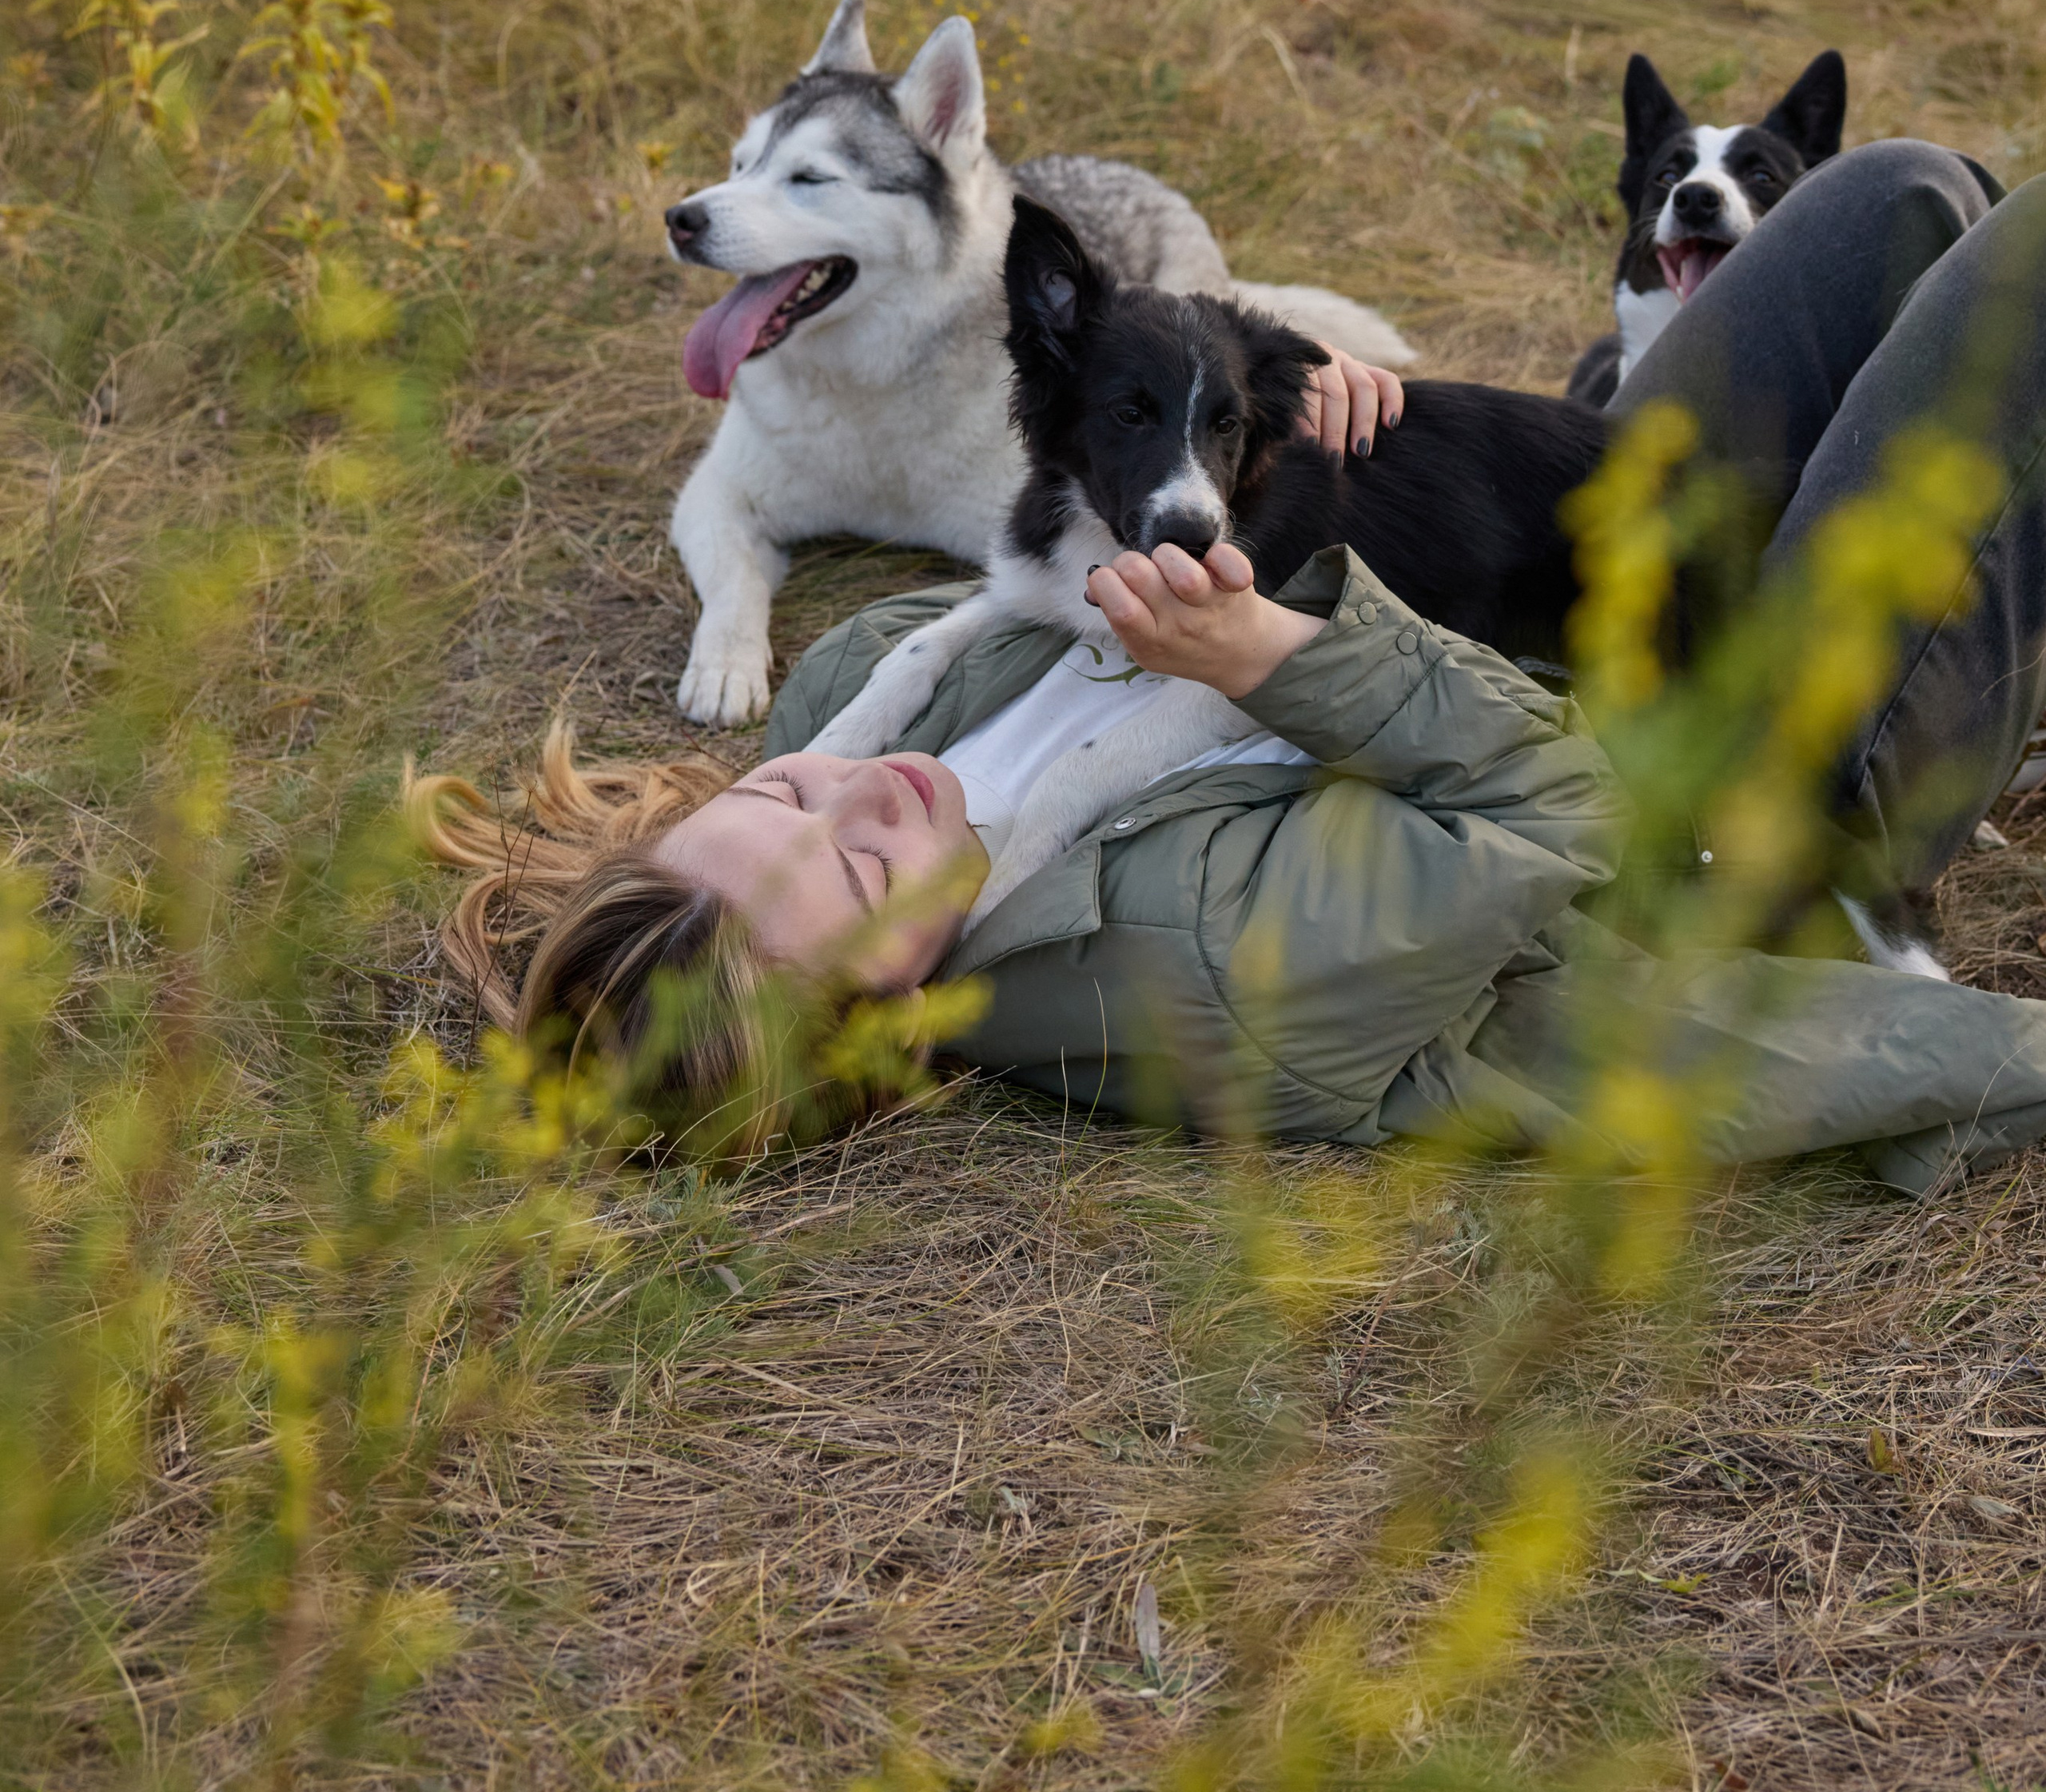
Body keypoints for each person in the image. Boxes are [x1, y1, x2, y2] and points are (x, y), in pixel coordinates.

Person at [416, 144, 2046, 1194]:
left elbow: (966, 597)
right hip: (1730, 767)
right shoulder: (1194, 967)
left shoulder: (869, 728)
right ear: (883, 1007)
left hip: (1575, 551)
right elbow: (1578, 808)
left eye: (775, 783)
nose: (853, 781)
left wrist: (1285, 410)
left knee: (1893, 193)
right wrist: (1279, 650)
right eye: (844, 853)